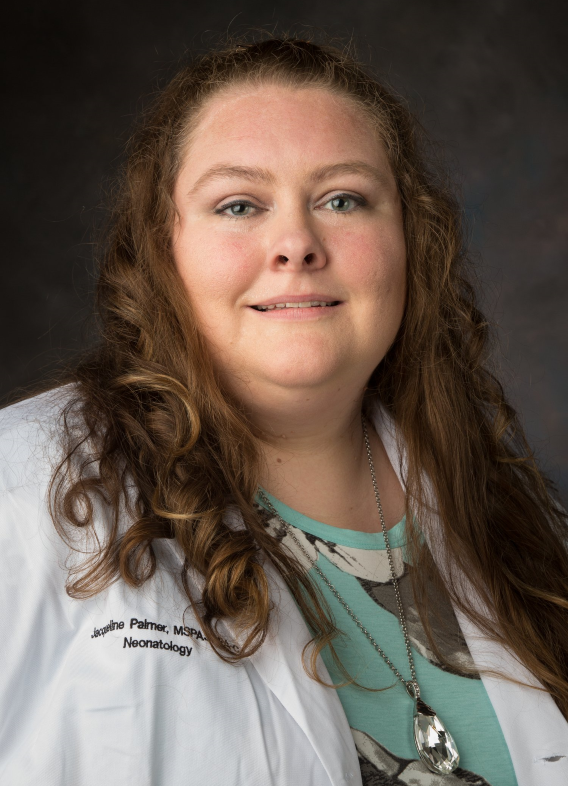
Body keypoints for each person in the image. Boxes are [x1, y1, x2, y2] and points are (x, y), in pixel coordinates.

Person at [0, 35, 567, 786]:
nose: (297, 244)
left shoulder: (522, 528)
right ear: (161, 250)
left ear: (411, 240)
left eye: (343, 200)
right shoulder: (18, 492)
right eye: (239, 204)